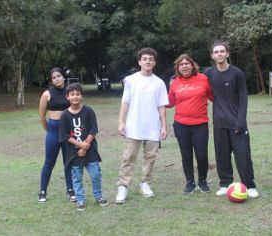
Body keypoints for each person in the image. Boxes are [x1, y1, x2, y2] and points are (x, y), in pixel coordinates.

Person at [204, 41, 259, 198]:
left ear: (227, 54)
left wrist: (241, 121)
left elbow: (243, 99)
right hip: (219, 123)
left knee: (243, 155)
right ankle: (225, 183)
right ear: (212, 55)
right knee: (222, 155)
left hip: (237, 122)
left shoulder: (237, 73)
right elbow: (196, 83)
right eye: (216, 52)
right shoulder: (208, 74)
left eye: (222, 51)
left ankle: (249, 185)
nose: (219, 54)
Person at [115, 47, 169, 204]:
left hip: (153, 127)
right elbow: (125, 102)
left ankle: (145, 183)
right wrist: (121, 122)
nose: (147, 61)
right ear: (139, 61)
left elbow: (161, 106)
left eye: (150, 59)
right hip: (133, 126)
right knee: (128, 157)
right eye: (144, 59)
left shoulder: (159, 83)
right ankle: (123, 186)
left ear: (154, 62)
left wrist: (164, 126)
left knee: (150, 157)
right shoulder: (131, 80)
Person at [167, 54, 213, 194]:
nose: (185, 66)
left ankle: (203, 181)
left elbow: (213, 96)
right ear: (178, 67)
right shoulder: (174, 82)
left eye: (187, 63)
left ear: (192, 65)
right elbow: (169, 103)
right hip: (181, 124)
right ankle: (190, 183)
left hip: (200, 124)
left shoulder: (203, 79)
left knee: (201, 155)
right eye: (181, 64)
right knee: (186, 155)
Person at [59, 83, 108, 211]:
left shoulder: (88, 111)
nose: (75, 97)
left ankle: (98, 196)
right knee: (77, 177)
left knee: (95, 174)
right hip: (73, 152)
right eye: (72, 94)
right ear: (67, 97)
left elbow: (93, 130)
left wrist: (86, 146)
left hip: (90, 150)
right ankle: (80, 199)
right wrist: (80, 145)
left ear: (81, 96)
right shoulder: (64, 115)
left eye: (78, 94)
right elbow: (64, 135)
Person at [38, 67, 76, 203]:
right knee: (49, 162)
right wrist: (48, 130)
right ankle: (42, 191)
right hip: (53, 130)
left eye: (58, 76)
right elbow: (42, 115)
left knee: (68, 161)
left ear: (63, 77)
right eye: (53, 77)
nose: (56, 79)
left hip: (68, 131)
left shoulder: (70, 92)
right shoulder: (47, 94)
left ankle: (70, 190)